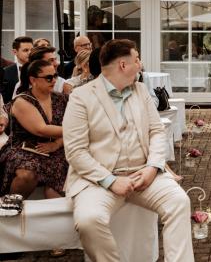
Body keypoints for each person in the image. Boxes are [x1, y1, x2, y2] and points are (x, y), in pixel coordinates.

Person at [62, 39, 194, 261]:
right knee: (88, 221)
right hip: (98, 181)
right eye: (137, 59)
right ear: (123, 65)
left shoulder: (141, 90)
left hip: (144, 174)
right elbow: (75, 152)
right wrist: (110, 181)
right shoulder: (81, 97)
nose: (140, 65)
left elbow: (157, 132)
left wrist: (153, 167)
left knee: (179, 203)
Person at [0, 59, 68, 197]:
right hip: (23, 147)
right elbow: (41, 129)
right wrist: (79, 128)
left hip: (56, 148)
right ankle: (10, 206)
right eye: (49, 77)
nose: (54, 80)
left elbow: (72, 124)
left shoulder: (62, 99)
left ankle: (57, 215)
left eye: (55, 75)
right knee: (27, 175)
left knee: (59, 178)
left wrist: (56, 143)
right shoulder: (22, 100)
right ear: (33, 79)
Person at [1, 36, 33, 104]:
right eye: (26, 50)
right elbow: (4, 98)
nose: (30, 53)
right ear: (15, 52)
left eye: (32, 50)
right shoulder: (6, 72)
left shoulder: (40, 70)